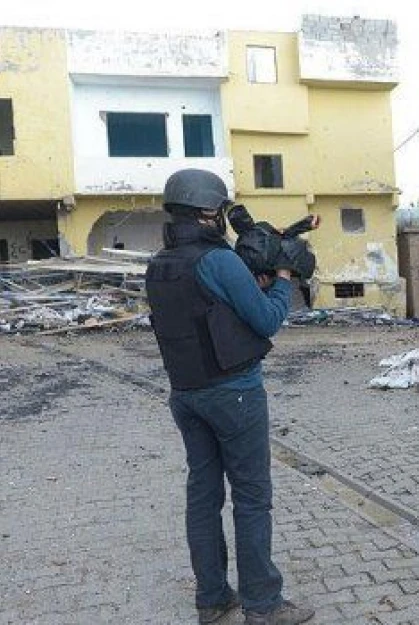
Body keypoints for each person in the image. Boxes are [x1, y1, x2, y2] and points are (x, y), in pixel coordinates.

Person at [145, 169, 315, 625]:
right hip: (233, 394)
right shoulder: (217, 261)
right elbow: (265, 320)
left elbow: (205, 311)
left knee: (203, 497)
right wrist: (282, 277)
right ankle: (263, 605)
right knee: (252, 498)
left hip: (186, 396)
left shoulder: (159, 263)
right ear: (208, 213)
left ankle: (213, 599)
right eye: (220, 210)